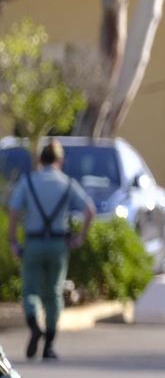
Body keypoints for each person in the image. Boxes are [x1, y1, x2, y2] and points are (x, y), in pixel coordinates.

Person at [6, 139, 93, 361]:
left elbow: (14, 211)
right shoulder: (66, 183)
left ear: (40, 159)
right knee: (54, 293)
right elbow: (89, 209)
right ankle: (49, 344)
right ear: (60, 160)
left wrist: (13, 241)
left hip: (33, 243)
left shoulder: (29, 182)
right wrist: (80, 237)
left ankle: (35, 325)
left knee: (30, 291)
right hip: (58, 244)